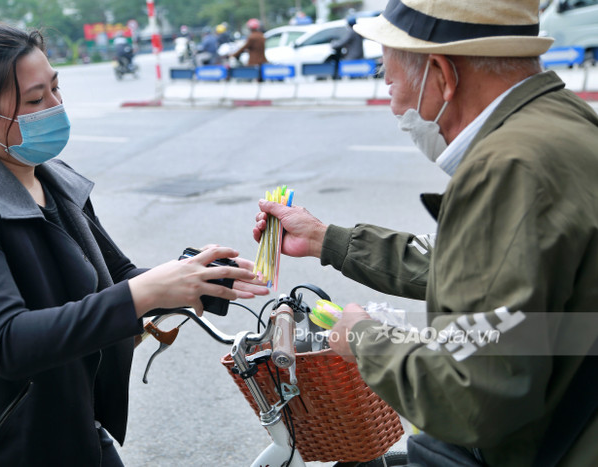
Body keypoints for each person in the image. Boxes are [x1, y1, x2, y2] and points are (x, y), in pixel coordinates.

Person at [254, 0, 598, 465]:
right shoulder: (564, 123)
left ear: (442, 74)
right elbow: (482, 269)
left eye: (390, 79)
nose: (393, 102)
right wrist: (323, 239)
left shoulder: (507, 167)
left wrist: (364, 339)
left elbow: (471, 397)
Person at [0, 22, 266, 467]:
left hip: (75, 427)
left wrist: (199, 276)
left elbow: (116, 278)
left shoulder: (53, 178)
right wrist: (148, 291)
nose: (57, 108)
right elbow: (7, 342)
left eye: (56, 89)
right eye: (37, 100)